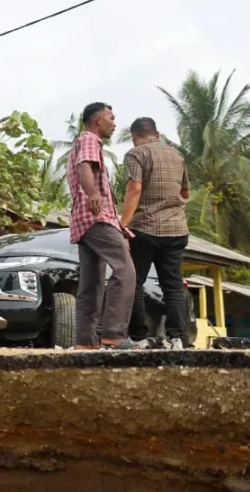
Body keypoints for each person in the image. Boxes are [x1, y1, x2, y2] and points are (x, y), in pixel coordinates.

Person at [66, 103, 136, 350]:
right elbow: (84, 166)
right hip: (96, 217)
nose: (114, 123)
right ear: (97, 120)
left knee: (92, 283)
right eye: (111, 117)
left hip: (83, 222)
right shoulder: (88, 139)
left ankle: (85, 340)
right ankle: (114, 333)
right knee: (125, 269)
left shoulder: (84, 141)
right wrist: (93, 194)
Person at [121, 117, 191, 349]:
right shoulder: (177, 156)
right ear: (157, 133)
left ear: (134, 137)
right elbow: (186, 192)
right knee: (172, 284)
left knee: (135, 281)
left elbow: (135, 188)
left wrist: (123, 223)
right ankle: (177, 338)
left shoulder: (136, 154)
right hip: (177, 229)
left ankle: (139, 337)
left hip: (145, 229)